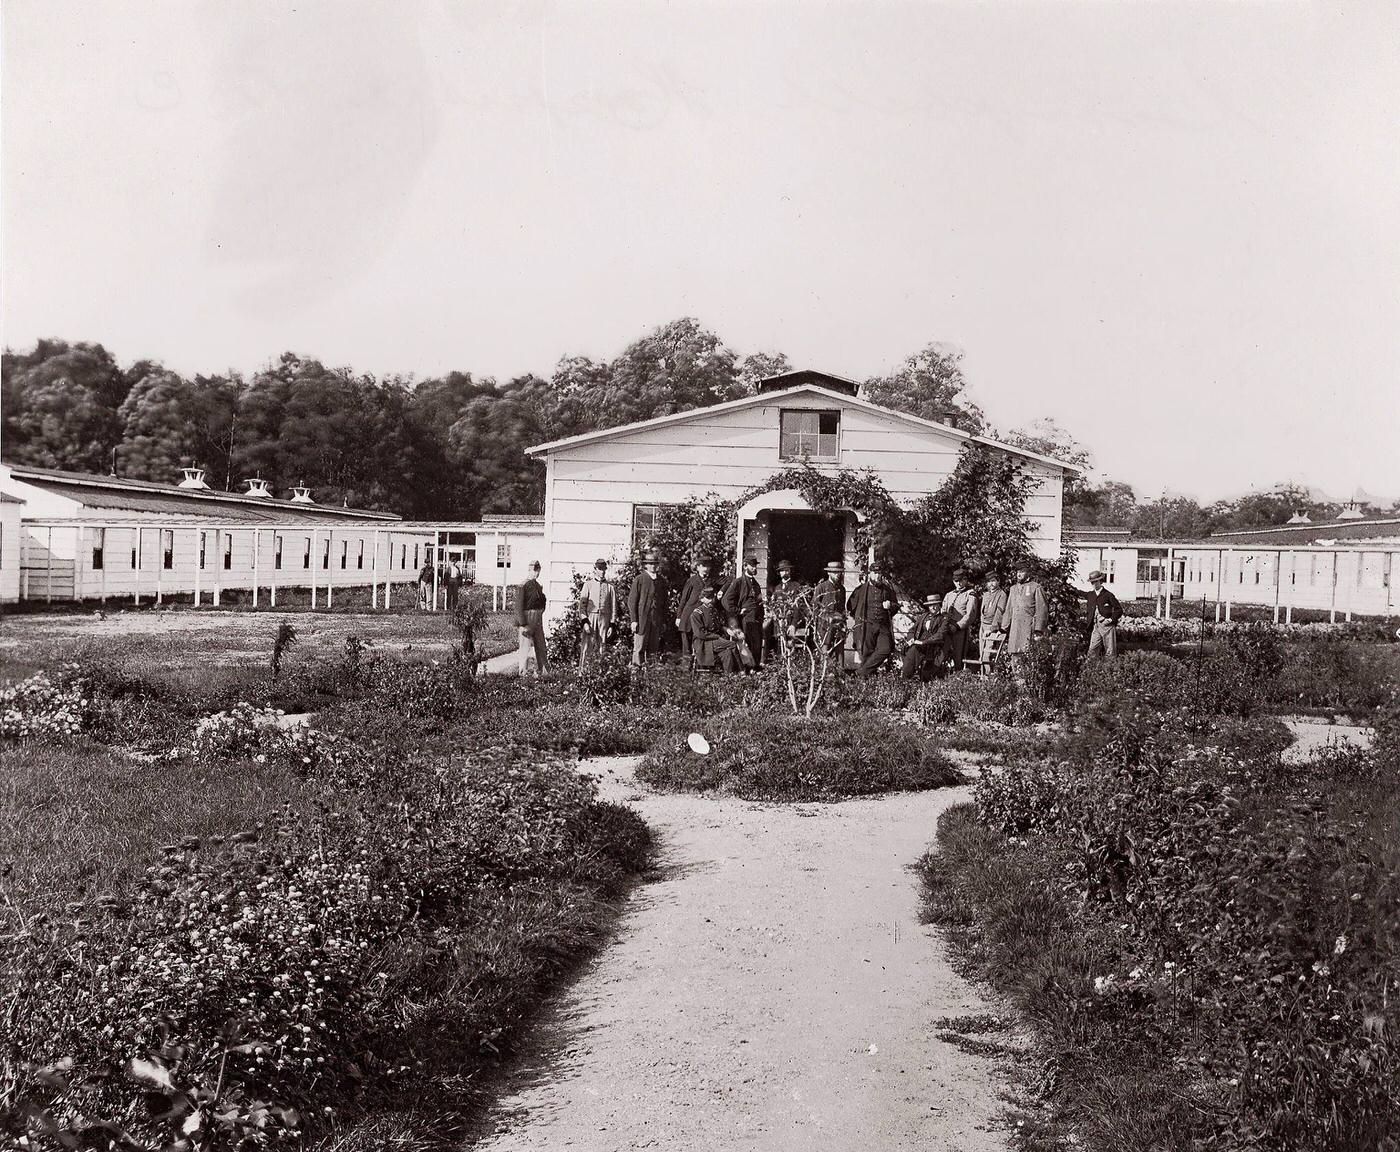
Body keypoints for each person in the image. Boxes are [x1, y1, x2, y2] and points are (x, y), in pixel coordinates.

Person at [847, 560, 896, 677]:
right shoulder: (861, 590)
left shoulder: (887, 590)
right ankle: (866, 682)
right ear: (869, 574)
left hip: (883, 626)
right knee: (866, 653)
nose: (877, 576)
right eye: (874, 573)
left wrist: (890, 606)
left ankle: (860, 673)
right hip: (867, 625)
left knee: (886, 649)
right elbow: (850, 607)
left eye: (879, 573)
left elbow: (896, 605)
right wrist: (860, 619)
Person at [721, 555, 765, 671]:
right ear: (745, 566)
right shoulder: (738, 582)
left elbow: (760, 602)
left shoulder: (756, 584)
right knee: (747, 646)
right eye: (752, 566)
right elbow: (726, 600)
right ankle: (745, 670)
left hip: (756, 620)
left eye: (756, 566)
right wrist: (738, 611)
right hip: (745, 619)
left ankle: (755, 669)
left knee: (757, 645)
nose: (755, 568)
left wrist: (762, 617)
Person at [628, 550, 669, 666]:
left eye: (655, 564)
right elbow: (632, 601)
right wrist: (634, 620)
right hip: (642, 620)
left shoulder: (661, 581)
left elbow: (665, 603)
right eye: (650, 564)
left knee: (653, 649)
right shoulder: (640, 579)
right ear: (645, 565)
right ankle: (636, 674)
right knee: (639, 647)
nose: (653, 566)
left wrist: (663, 621)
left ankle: (650, 677)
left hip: (656, 620)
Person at [999, 561, 1048, 655]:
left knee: (1026, 654)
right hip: (1014, 627)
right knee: (1014, 654)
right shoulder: (1013, 589)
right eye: (1017, 572)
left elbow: (1042, 609)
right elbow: (1009, 609)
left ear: (1028, 573)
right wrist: (1003, 628)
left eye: (1022, 572)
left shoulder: (1036, 587)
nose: (1019, 575)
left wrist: (1038, 630)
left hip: (1028, 628)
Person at [901, 595, 955, 681]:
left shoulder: (944, 618)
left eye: (935, 605)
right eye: (930, 605)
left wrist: (924, 642)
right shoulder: (924, 616)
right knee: (912, 651)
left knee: (927, 670)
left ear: (939, 605)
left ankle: (923, 681)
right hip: (920, 645)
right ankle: (904, 679)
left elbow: (940, 635)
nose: (932, 607)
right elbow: (912, 630)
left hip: (934, 645)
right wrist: (911, 638)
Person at [688, 585, 739, 673]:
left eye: (712, 597)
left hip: (714, 641)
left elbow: (719, 625)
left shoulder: (714, 611)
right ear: (702, 599)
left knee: (727, 653)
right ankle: (741, 671)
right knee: (732, 644)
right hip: (703, 642)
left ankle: (729, 677)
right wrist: (717, 637)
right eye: (708, 598)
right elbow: (701, 634)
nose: (711, 600)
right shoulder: (697, 613)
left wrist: (726, 630)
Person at [1075, 569, 1123, 659]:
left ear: (1100, 581)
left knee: (1110, 651)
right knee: (1092, 649)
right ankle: (1091, 669)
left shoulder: (1108, 595)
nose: (1094, 584)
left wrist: (1110, 619)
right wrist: (1068, 586)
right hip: (1096, 626)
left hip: (1107, 626)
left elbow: (1119, 610)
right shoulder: (1090, 595)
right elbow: (1078, 592)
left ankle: (1110, 669)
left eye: (1095, 582)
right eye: (1092, 582)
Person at [577, 558, 616, 667]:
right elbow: (582, 606)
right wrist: (584, 621)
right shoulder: (588, 585)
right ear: (595, 569)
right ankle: (583, 674)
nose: (602, 571)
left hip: (604, 619)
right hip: (591, 618)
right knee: (587, 646)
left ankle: (599, 675)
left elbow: (613, 608)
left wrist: (612, 625)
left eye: (604, 569)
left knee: (602, 647)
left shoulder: (610, 587)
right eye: (600, 569)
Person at [766, 560, 807, 660]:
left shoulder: (796, 586)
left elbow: (798, 607)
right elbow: (774, 605)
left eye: (787, 570)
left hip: (791, 622)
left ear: (790, 571)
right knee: (778, 645)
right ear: (779, 573)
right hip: (779, 623)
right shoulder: (777, 588)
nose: (785, 572)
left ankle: (790, 668)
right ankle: (778, 665)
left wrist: (793, 624)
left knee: (790, 646)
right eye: (783, 571)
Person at [941, 568, 981, 671]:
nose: (958, 583)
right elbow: (943, 611)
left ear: (965, 580)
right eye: (956, 581)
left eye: (961, 580)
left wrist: (957, 626)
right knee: (942, 653)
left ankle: (959, 677)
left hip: (960, 630)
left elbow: (970, 615)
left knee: (959, 656)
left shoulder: (970, 594)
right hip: (947, 629)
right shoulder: (949, 595)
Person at [676, 557, 712, 665]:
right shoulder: (692, 581)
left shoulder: (710, 581)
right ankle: (686, 671)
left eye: (707, 566)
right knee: (686, 647)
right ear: (698, 567)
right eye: (702, 566)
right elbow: (683, 599)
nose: (705, 569)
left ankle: (699, 669)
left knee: (699, 644)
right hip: (687, 617)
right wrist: (679, 616)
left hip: (701, 619)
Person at [515, 560, 549, 676]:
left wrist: (541, 610)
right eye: (534, 571)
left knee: (541, 646)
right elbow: (519, 606)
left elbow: (543, 600)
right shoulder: (523, 585)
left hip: (537, 618)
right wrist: (523, 624)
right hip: (527, 618)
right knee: (525, 647)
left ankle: (544, 672)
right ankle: (523, 673)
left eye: (537, 571)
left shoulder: (538, 586)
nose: (536, 573)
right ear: (529, 570)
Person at [811, 561, 846, 662]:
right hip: (825, 624)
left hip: (839, 624)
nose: (837, 575)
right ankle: (824, 672)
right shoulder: (821, 587)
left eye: (838, 573)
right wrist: (817, 625)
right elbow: (815, 607)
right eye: (834, 573)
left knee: (839, 648)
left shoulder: (842, 589)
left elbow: (842, 608)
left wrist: (843, 622)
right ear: (828, 573)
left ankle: (840, 673)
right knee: (825, 649)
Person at [978, 571, 1010, 671]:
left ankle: (989, 678)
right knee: (981, 654)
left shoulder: (1002, 594)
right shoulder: (986, 594)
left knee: (987, 655)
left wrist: (992, 629)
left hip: (992, 628)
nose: (991, 584)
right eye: (988, 582)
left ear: (998, 581)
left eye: (993, 581)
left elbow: (999, 613)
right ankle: (983, 677)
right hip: (983, 626)